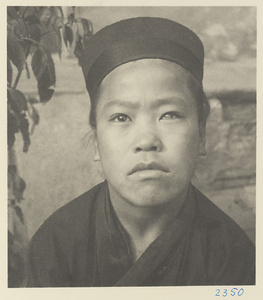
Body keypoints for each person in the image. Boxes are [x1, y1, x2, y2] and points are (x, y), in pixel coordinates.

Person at [26, 17, 255, 287]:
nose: (146, 140)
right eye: (121, 117)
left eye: (169, 114)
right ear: (97, 140)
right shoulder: (55, 245)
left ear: (202, 134)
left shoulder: (231, 255)